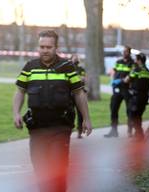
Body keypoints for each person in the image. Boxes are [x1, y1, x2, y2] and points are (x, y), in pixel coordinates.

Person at [13, 30, 92, 192]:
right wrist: (16, 113)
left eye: (49, 47)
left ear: (56, 47)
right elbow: (20, 91)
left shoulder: (67, 67)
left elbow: (79, 93)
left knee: (58, 170)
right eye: (42, 47)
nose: (45, 50)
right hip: (37, 128)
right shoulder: (30, 67)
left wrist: (86, 119)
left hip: (60, 127)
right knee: (40, 171)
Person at [104, 45, 134, 138]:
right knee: (113, 109)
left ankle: (130, 130)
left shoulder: (132, 63)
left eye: (126, 51)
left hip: (127, 89)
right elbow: (114, 71)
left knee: (129, 110)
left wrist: (122, 80)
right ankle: (114, 131)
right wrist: (112, 80)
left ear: (129, 53)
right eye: (123, 51)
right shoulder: (118, 62)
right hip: (117, 89)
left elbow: (131, 76)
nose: (124, 53)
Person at [124, 53, 149, 140]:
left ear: (139, 60)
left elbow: (127, 80)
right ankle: (138, 135)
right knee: (138, 115)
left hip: (136, 97)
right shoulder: (148, 71)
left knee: (132, 115)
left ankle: (140, 135)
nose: (135, 61)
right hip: (145, 97)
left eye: (136, 59)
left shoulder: (136, 70)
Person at [71, 54, 87, 139]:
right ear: (71, 59)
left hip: (80, 92)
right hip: (70, 94)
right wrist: (78, 78)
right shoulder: (68, 69)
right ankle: (69, 129)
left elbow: (83, 79)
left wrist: (76, 79)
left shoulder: (81, 69)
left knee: (80, 113)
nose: (76, 59)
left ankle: (79, 131)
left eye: (77, 58)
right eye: (75, 58)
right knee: (70, 112)